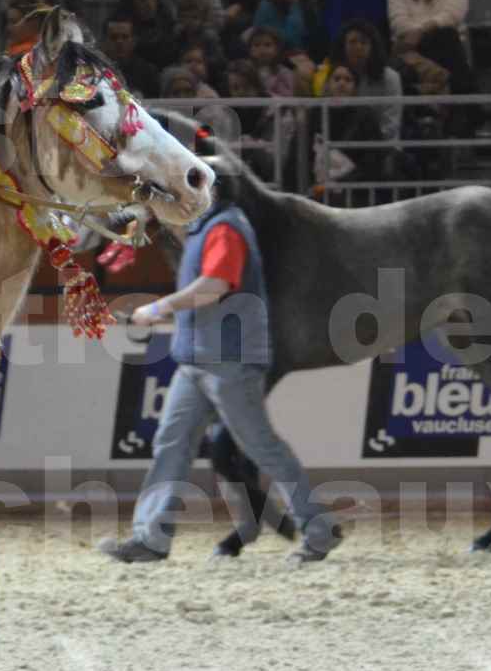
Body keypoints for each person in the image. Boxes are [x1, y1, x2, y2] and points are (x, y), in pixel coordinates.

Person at [98, 190, 341, 563]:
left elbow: (215, 285)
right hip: (196, 361)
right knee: (170, 442)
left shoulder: (225, 229)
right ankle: (150, 539)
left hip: (230, 362)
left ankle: (318, 529)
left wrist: (161, 306)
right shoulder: (203, 230)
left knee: (262, 447)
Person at [100, 14, 161, 98]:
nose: (119, 42)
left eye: (125, 37)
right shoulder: (95, 71)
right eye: (113, 37)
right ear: (104, 41)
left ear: (134, 41)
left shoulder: (148, 72)